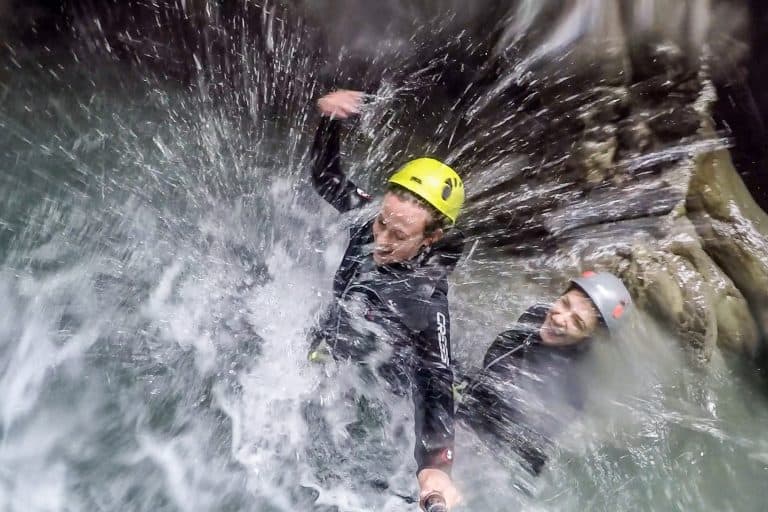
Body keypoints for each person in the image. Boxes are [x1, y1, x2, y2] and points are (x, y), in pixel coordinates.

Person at [305, 89, 465, 510]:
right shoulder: (373, 219)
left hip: (379, 378)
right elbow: (327, 178)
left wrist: (436, 468)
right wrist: (329, 122)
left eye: (399, 236)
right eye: (381, 224)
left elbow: (437, 385)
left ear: (431, 238)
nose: (381, 240)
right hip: (332, 344)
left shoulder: (428, 303)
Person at [456, 271, 632, 476]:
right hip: (486, 407)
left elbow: (525, 433)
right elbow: (495, 360)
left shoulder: (571, 382)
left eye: (577, 322)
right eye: (565, 303)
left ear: (588, 336)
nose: (559, 318)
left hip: (508, 451)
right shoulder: (538, 315)